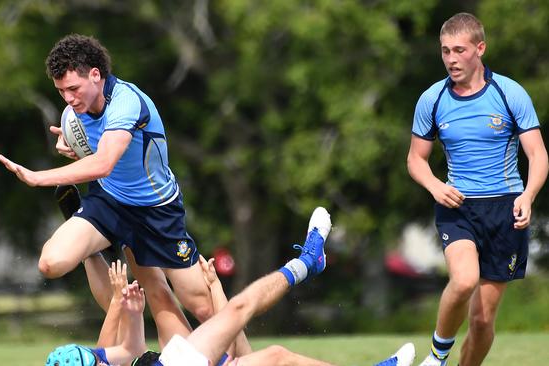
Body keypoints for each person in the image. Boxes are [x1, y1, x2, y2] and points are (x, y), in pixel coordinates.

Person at [0, 34, 214, 345]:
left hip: (156, 209)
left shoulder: (126, 101)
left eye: (73, 89)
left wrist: (37, 177)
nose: (69, 99)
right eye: (61, 92)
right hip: (109, 200)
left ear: (96, 75)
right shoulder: (73, 113)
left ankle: (245, 360)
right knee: (50, 263)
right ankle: (93, 246)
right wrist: (69, 143)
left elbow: (103, 163)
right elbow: (88, 147)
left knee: (202, 306)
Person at [46, 207, 417, 366]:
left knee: (154, 288)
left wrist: (123, 305)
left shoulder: (91, 359)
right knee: (270, 350)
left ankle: (119, 225)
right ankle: (306, 262)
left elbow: (123, 348)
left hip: (165, 362)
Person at [407, 12, 548, 366]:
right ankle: (438, 355)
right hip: (458, 207)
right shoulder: (432, 99)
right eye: (444, 51)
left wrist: (528, 196)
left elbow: (538, 154)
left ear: (479, 49)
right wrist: (434, 186)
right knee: (465, 279)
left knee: (482, 320)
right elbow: (415, 159)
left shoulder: (509, 93)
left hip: (505, 210)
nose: (451, 59)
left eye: (459, 50)